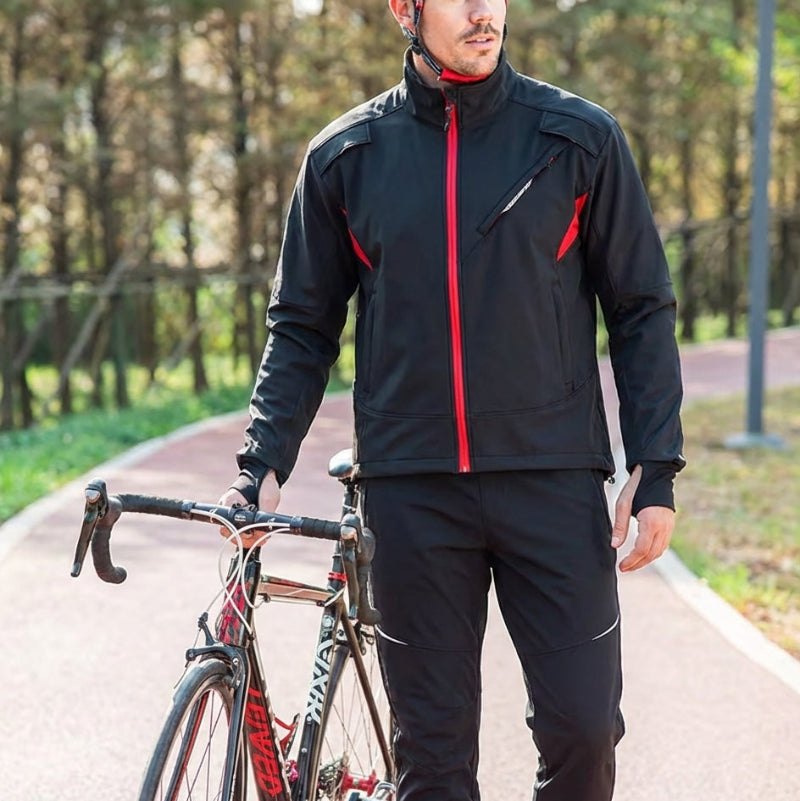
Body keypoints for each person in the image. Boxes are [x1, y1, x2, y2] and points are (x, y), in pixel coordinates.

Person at [219, 0, 685, 798]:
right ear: (406, 8)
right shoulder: (346, 156)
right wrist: (261, 462)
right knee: (432, 765)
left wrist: (656, 464)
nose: (484, 13)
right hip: (411, 495)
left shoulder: (577, 138)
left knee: (583, 730)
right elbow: (301, 326)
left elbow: (640, 306)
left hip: (552, 481)